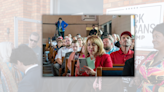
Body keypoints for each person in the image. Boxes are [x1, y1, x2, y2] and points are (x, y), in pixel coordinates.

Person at [134, 23, 164, 92]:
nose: (153, 40)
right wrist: (137, 77)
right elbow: (142, 73)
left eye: (157, 36)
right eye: (153, 37)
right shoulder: (151, 55)